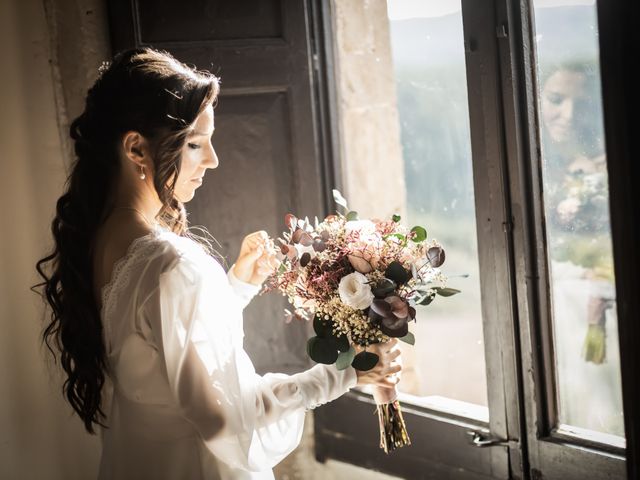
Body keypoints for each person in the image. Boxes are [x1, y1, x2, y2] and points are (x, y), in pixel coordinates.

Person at [32, 47, 402, 479]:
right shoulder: (174, 263)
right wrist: (341, 376)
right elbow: (224, 418)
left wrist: (236, 287)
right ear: (136, 148)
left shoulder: (102, 241)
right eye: (194, 143)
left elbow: (157, 350)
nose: (213, 159)